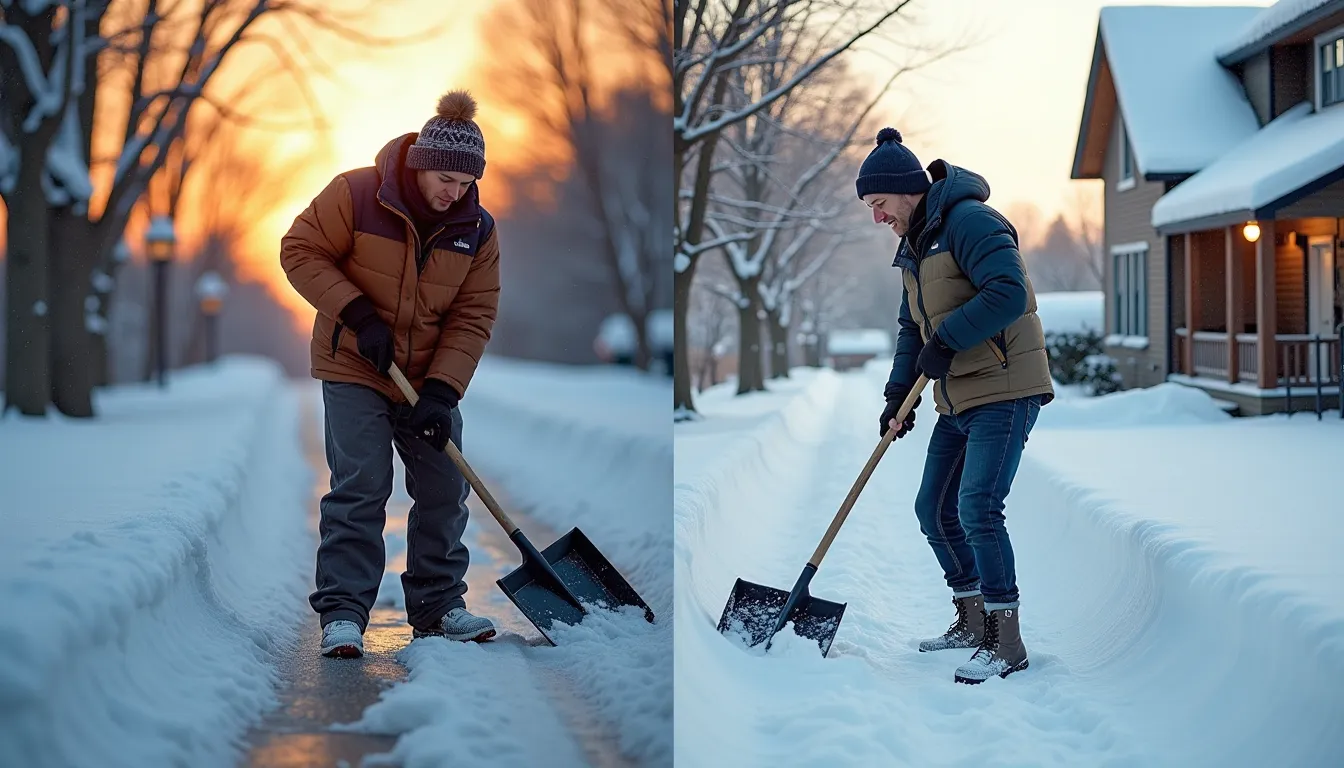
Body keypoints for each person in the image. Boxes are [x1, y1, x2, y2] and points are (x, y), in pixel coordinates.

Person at [280, 89, 502, 658]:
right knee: (362, 483)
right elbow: (300, 250)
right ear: (422, 164)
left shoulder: (476, 228)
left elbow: (474, 313)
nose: (453, 193)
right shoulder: (357, 194)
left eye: (464, 183)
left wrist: (442, 390)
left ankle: (437, 606)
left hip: (426, 377)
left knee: (444, 485)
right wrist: (356, 313)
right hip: (356, 361)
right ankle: (345, 613)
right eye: (444, 179)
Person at [856, 127, 1054, 684]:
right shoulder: (915, 247)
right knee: (933, 509)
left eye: (879, 204)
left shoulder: (970, 221)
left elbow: (1008, 291)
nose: (877, 218)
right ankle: (970, 620)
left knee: (977, 509)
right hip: (958, 395)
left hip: (1006, 387)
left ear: (905, 190)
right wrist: (899, 395)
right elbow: (910, 330)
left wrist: (949, 340)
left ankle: (1005, 639)